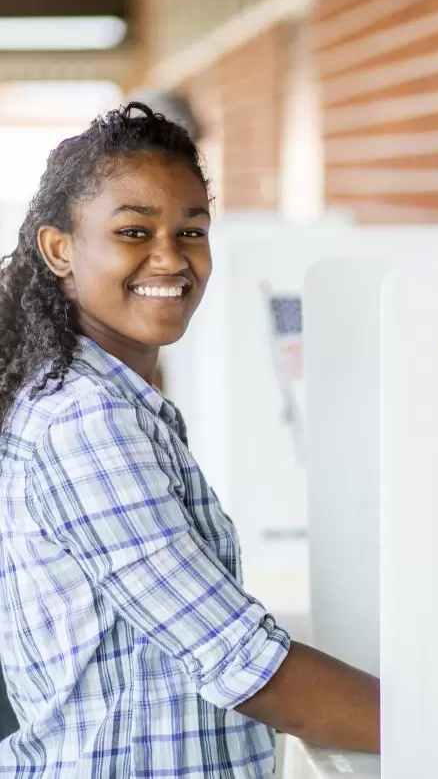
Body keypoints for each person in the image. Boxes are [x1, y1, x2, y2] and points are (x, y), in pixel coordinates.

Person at [0, 103, 379, 777]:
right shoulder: (86, 422)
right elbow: (245, 664)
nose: (171, 258)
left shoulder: (115, 400)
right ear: (60, 249)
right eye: (134, 231)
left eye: (191, 230)